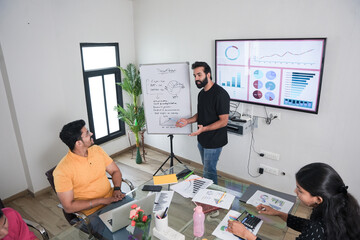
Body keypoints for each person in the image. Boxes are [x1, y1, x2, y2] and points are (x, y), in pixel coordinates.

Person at [227, 162, 360, 240]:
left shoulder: (318, 230)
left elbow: (313, 229)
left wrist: (246, 234)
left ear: (318, 199)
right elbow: (309, 225)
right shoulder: (341, 204)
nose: (295, 192)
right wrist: (278, 213)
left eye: (300, 190)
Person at [54, 119, 125, 216]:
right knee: (132, 227)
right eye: (87, 134)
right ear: (78, 143)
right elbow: (68, 207)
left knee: (144, 216)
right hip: (93, 213)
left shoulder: (97, 150)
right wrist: (102, 201)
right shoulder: (62, 171)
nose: (91, 133)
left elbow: (115, 171)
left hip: (113, 199)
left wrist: (117, 189)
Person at [176, 61, 230, 184]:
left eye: (199, 75)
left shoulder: (220, 94)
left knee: (209, 171)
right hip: (202, 139)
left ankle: (211, 198)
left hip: (214, 141)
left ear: (208, 75)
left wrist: (203, 129)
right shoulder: (201, 94)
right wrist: (188, 121)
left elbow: (223, 121)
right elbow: (202, 114)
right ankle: (207, 195)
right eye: (195, 76)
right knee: (207, 168)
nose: (196, 79)